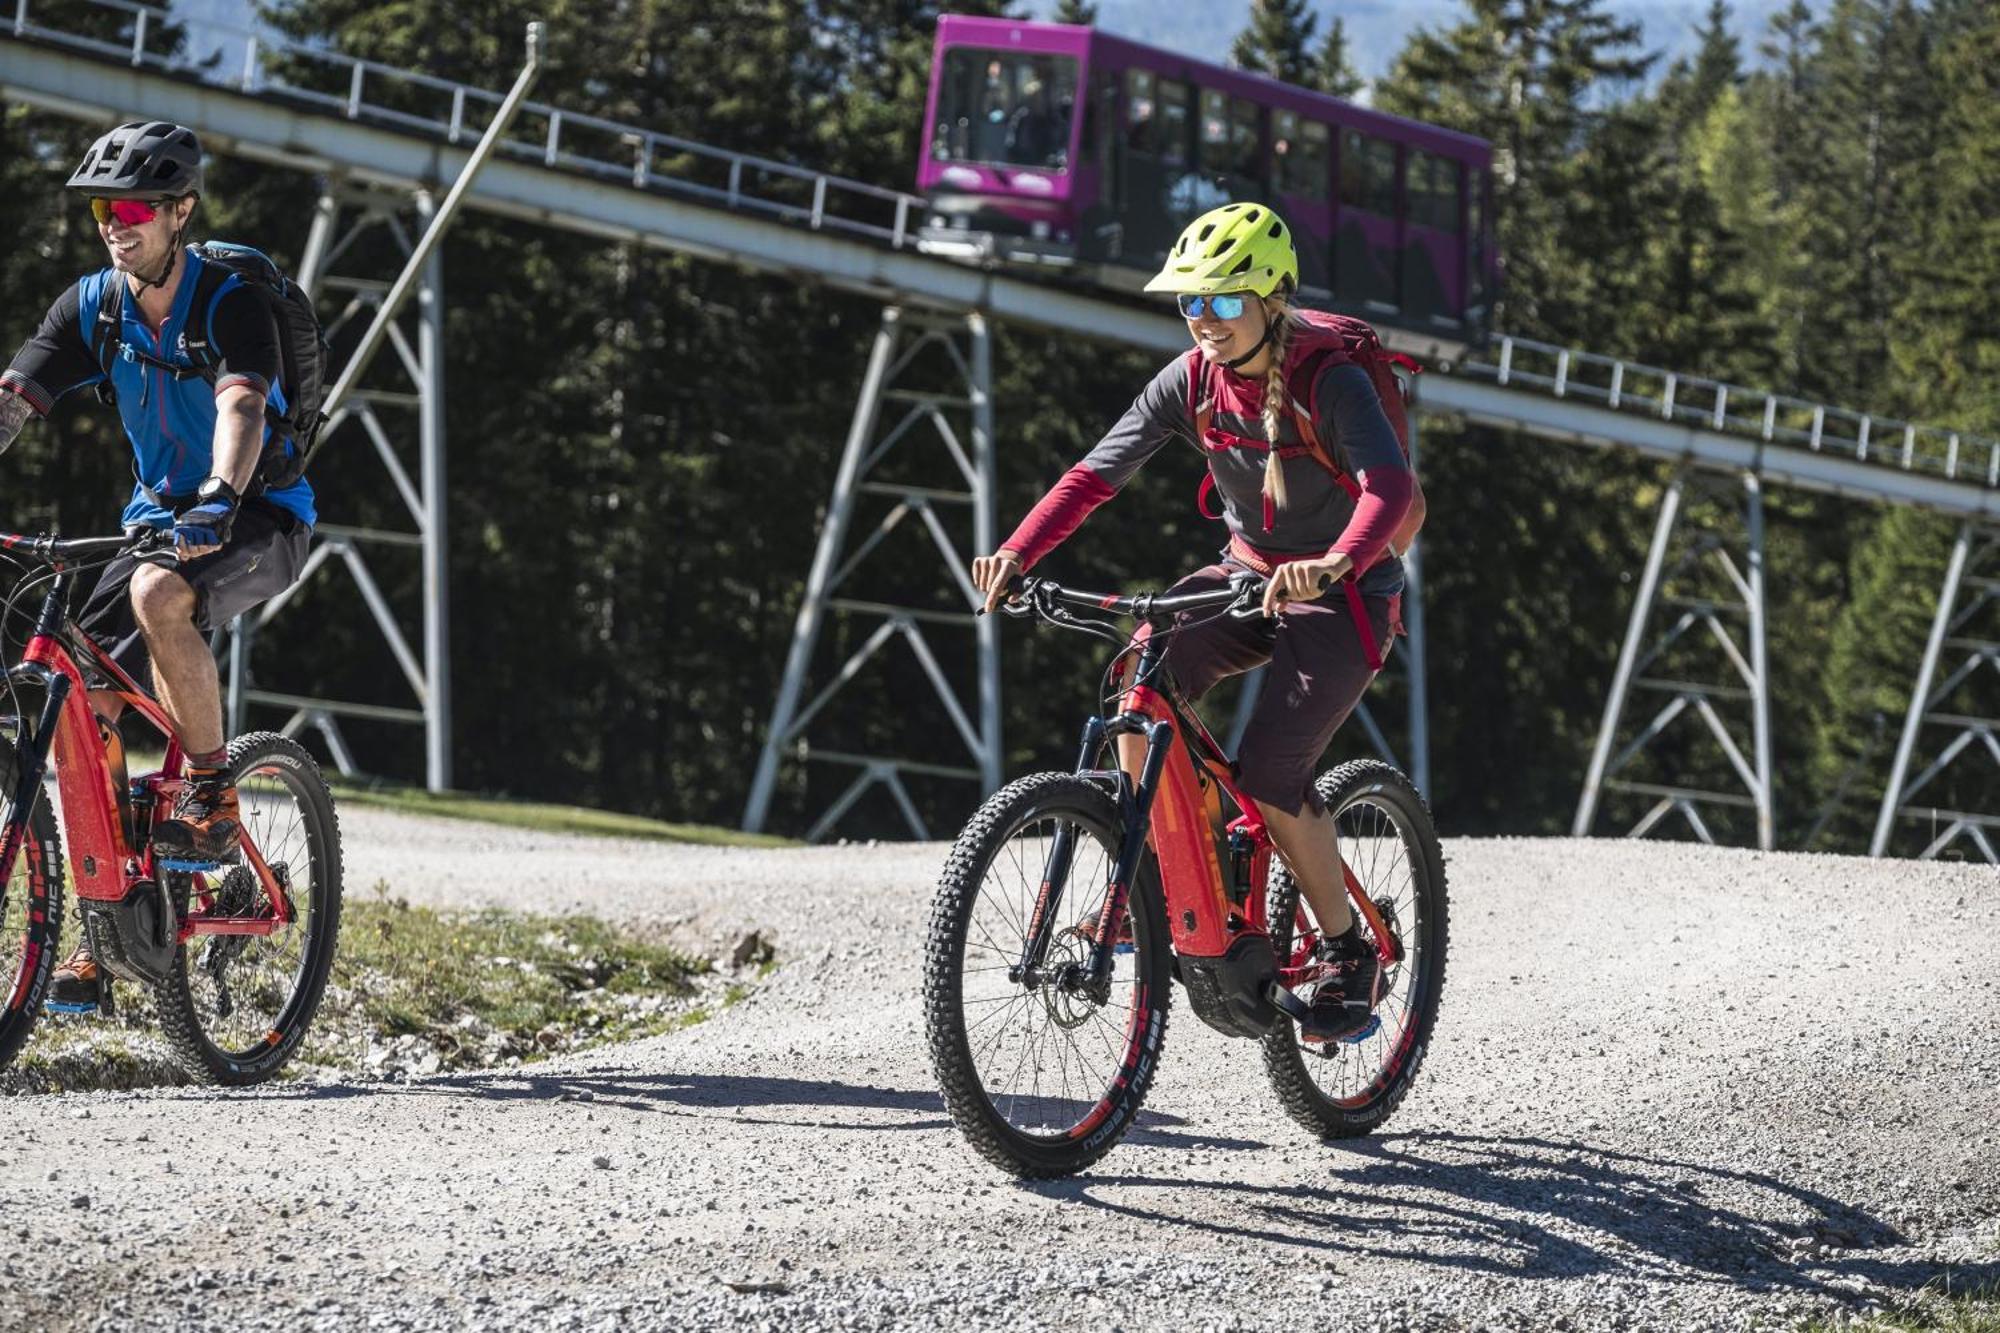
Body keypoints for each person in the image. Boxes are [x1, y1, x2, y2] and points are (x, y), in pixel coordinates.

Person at [969, 201, 1423, 1042]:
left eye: (1221, 301)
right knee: (1140, 670)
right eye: (1189, 303)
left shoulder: (1333, 381)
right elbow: (1094, 475)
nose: (1202, 321)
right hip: (1248, 576)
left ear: (1270, 301)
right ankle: (1165, 852)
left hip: (1345, 593)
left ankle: (1349, 947)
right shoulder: (1190, 381)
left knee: (1271, 773)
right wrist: (1017, 552)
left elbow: (1389, 491)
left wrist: (1335, 562)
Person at [0, 122, 317, 1008]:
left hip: (256, 515)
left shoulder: (227, 303)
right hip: (153, 524)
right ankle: (112, 919)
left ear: (181, 212)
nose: (115, 223)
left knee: (156, 592)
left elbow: (243, 405)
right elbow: (13, 400)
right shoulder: (92, 305)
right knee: (80, 698)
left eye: (136, 206)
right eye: (105, 207)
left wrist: (220, 492)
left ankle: (213, 794)